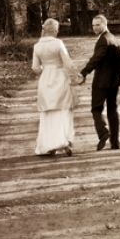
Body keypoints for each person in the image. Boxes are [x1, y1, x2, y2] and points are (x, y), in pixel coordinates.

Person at [79, 14, 120, 151]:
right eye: (93, 25)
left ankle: (103, 132)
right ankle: (115, 143)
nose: (95, 27)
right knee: (112, 110)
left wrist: (84, 72)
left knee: (96, 109)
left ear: (105, 24)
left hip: (101, 82)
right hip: (114, 82)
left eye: (97, 25)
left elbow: (96, 59)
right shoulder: (113, 38)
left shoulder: (103, 40)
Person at [32, 18, 79, 157]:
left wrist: (45, 71)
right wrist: (75, 76)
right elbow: (68, 63)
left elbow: (35, 67)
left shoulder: (37, 46)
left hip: (45, 79)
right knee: (63, 109)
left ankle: (48, 145)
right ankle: (64, 141)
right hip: (59, 77)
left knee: (47, 112)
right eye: (57, 29)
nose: (58, 31)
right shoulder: (58, 43)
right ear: (53, 30)